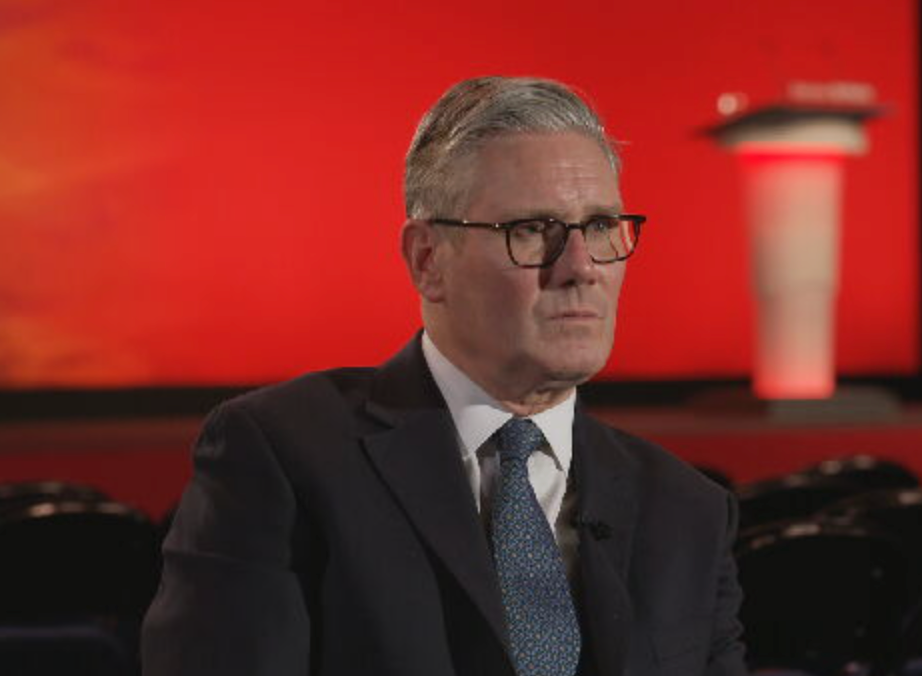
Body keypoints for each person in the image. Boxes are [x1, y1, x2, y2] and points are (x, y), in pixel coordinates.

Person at [142, 75, 748, 676]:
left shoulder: (687, 511)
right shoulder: (284, 455)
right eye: (532, 231)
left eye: (599, 228)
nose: (581, 267)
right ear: (428, 260)